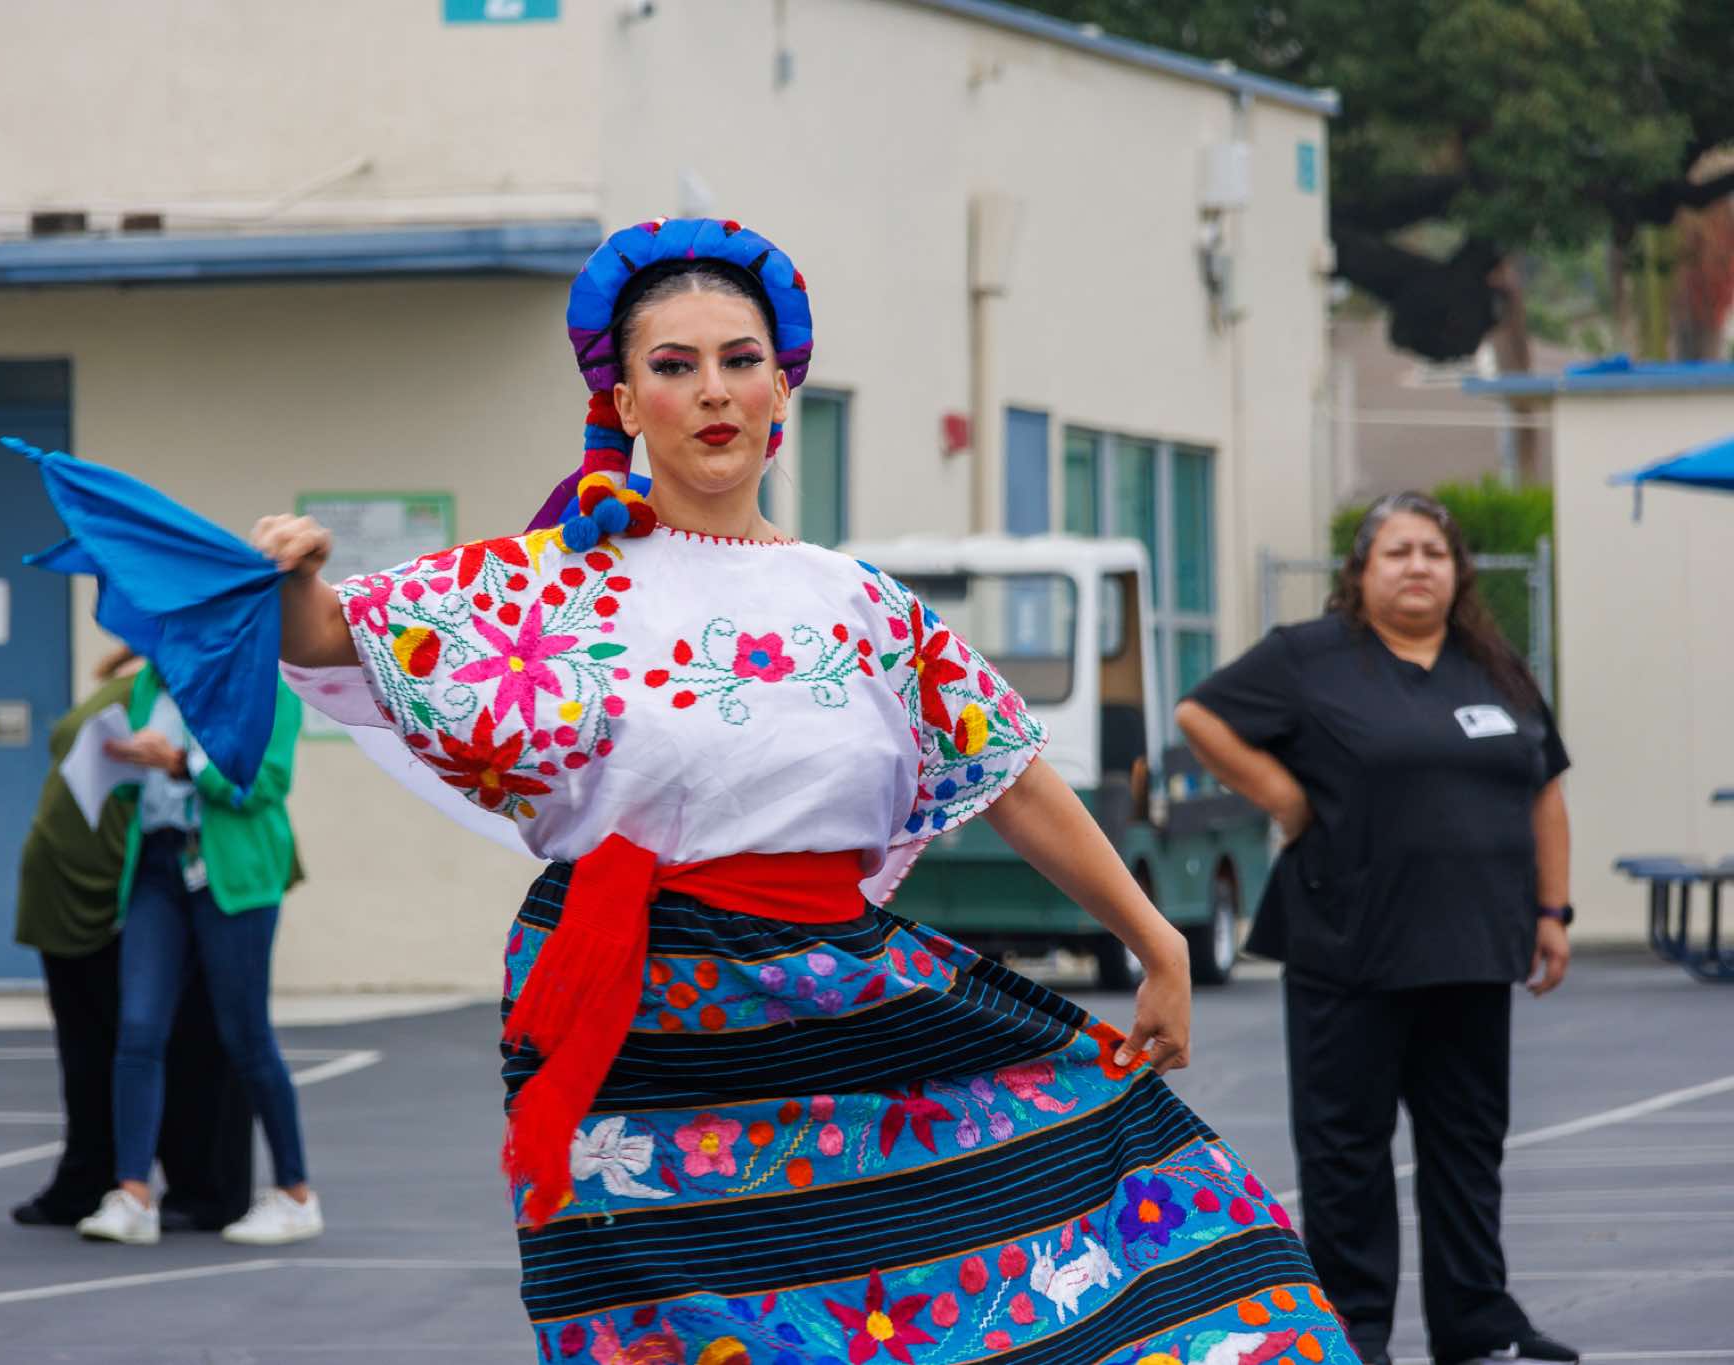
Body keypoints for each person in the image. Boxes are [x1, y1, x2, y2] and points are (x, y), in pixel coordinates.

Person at [245, 217, 1363, 1362]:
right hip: (641, 1028)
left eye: (740, 361)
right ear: (623, 403)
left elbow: (1011, 776)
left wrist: (1154, 942)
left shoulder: (856, 603)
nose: (712, 391)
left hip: (839, 1008)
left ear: (781, 389)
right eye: (673, 366)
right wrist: (289, 575)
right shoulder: (542, 586)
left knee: (1043, 1267)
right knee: (673, 1337)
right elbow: (332, 637)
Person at [1176, 491, 1577, 1365]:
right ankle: (1354, 1327)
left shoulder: (1495, 666)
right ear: (1360, 572)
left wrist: (1552, 910)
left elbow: (1544, 787)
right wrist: (1282, 795)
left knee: (1468, 1144)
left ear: (1457, 571)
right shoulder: (1310, 657)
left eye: (1434, 551)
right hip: (1348, 944)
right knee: (1346, 1150)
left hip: (1475, 947)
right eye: (1397, 552)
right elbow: (1200, 715)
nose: (1417, 566)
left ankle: (1478, 1320)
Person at [74, 658, 320, 1246]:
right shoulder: (151, 682)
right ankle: (133, 1195)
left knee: (246, 1036)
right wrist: (123, 761)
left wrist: (180, 763)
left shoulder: (264, 683)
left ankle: (295, 1195)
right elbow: (141, 785)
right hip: (158, 865)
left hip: (231, 871)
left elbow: (266, 782)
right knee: (138, 1028)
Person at [11, 645, 255, 1232]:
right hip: (85, 889)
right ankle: (106, 1180)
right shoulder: (142, 677)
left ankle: (197, 1185)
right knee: (103, 1047)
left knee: (189, 1042)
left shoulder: (198, 678)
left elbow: (247, 780)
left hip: (150, 880)